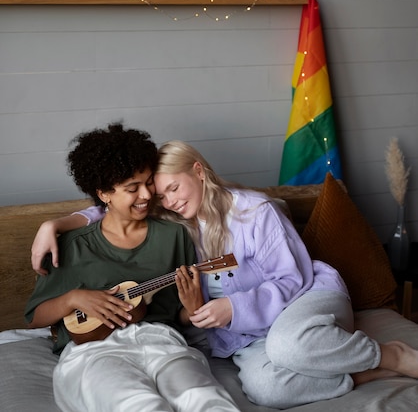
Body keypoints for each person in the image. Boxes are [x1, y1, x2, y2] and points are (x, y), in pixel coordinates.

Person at [31, 139, 418, 410]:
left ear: (198, 171)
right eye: (158, 194)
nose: (165, 200)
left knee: (289, 347)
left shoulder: (255, 211)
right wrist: (59, 222)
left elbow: (291, 278)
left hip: (304, 297)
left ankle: (390, 354)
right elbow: (114, 211)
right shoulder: (171, 221)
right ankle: (363, 374)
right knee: (266, 389)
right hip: (247, 330)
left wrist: (232, 307)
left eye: (172, 188)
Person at [26, 124, 239, 412]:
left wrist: (192, 308)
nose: (147, 195)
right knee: (139, 405)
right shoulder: (72, 245)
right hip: (94, 351)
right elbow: (35, 317)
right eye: (132, 188)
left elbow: (182, 314)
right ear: (104, 194)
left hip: (162, 341)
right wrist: (73, 298)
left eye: (148, 182)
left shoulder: (173, 235)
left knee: (205, 399)